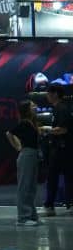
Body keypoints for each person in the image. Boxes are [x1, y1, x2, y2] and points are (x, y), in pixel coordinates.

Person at [7, 100, 42, 226]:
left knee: (31, 187)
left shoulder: (31, 123)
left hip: (33, 155)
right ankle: (23, 218)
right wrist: (18, 146)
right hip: (27, 155)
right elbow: (9, 133)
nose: (35, 107)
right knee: (25, 186)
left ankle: (32, 215)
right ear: (27, 109)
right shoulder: (24, 123)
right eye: (32, 106)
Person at [41, 83, 73, 217]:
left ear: (55, 94)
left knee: (55, 177)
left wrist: (47, 130)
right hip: (61, 148)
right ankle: (65, 205)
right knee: (65, 177)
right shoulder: (58, 108)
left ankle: (50, 206)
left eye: (48, 93)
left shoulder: (62, 109)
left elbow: (63, 129)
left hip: (62, 149)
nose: (47, 96)